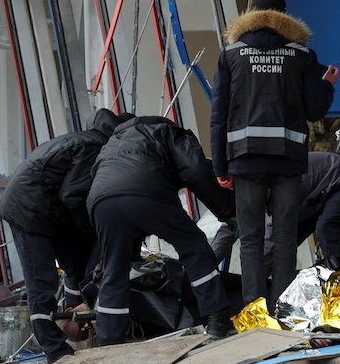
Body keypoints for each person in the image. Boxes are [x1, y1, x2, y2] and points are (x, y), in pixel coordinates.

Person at [210, 0, 336, 310]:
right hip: (287, 160)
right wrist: (328, 84)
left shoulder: (231, 54)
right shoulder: (301, 55)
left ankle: (254, 308)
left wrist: (220, 167)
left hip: (245, 159)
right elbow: (314, 110)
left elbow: (219, 114)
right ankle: (281, 306)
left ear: (251, 14)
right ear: (286, 18)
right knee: (284, 237)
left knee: (251, 237)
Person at [87, 115, 236, 346]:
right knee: (194, 247)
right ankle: (218, 322)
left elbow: (98, 177)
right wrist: (226, 210)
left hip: (101, 203)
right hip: (145, 191)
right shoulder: (164, 130)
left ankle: (108, 344)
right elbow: (195, 169)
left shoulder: (111, 145)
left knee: (114, 272)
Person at [1, 109, 133, 363]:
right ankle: (55, 349)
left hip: (39, 207)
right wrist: (91, 227)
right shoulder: (94, 148)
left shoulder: (79, 140)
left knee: (77, 264)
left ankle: (77, 312)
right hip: (30, 210)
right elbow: (73, 195)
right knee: (42, 282)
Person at [212, 152, 340, 267]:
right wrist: (208, 268)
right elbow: (231, 227)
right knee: (274, 249)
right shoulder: (248, 189)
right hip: (313, 198)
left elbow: (277, 233)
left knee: (326, 229)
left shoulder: (273, 184)